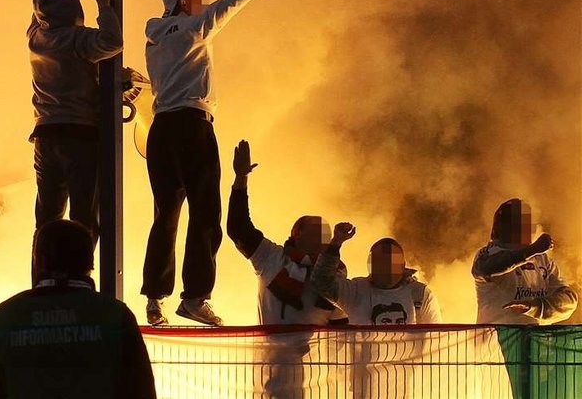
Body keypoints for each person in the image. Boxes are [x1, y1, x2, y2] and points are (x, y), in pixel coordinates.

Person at [141, 0, 288, 327]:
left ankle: (156, 299)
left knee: (165, 215)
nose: (202, 2)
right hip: (193, 124)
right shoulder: (195, 27)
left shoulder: (153, 40)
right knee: (205, 214)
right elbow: (232, 2)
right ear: (182, 2)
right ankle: (194, 297)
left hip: (161, 130)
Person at [0, 220, 157, 399]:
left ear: (39, 261)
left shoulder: (2, 319)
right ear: (89, 261)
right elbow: (141, 391)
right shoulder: (116, 316)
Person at [227, 140, 348, 398]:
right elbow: (238, 229)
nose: (321, 239)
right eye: (314, 232)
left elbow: (347, 325)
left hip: (317, 376)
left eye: (325, 235)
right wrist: (240, 179)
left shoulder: (334, 276)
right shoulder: (272, 258)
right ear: (296, 234)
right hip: (270, 369)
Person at [28, 0, 123, 247]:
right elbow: (113, 42)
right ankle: (79, 275)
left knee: (47, 217)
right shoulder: (78, 40)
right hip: (80, 133)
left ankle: (44, 279)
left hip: (45, 134)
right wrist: (104, 6)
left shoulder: (36, 39)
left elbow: (37, 12)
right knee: (84, 215)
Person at [471, 198, 577, 325]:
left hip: (537, 341)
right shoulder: (488, 254)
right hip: (496, 342)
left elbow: (569, 300)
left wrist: (535, 308)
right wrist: (531, 250)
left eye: (527, 223)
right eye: (517, 222)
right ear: (501, 226)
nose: (525, 228)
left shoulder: (542, 259)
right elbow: (486, 269)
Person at [311, 223, 442, 325]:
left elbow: (436, 341)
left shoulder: (420, 295)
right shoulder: (356, 291)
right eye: (380, 262)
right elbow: (321, 282)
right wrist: (335, 243)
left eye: (390, 262)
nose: (385, 267)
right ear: (371, 265)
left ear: (402, 266)